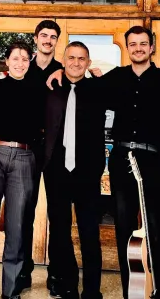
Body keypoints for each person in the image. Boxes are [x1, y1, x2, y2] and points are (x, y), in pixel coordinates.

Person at [47, 25, 160, 299]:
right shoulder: (114, 78)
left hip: (156, 163)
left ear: (151, 47)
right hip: (122, 162)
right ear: (127, 47)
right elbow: (79, 82)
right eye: (132, 44)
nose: (138, 48)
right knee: (124, 230)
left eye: (143, 43)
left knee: (158, 229)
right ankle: (130, 292)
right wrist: (59, 71)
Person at [0, 42, 44, 299]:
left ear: (30, 61)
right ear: (7, 60)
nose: (20, 63)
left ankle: (11, 293)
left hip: (25, 158)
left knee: (17, 226)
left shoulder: (38, 89)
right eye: (16, 58)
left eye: (25, 59)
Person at [44, 42, 107, 299]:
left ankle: (92, 290)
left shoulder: (99, 89)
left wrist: (99, 75)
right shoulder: (51, 87)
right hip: (56, 171)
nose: (76, 63)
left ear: (88, 63)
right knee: (60, 231)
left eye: (82, 59)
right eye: (71, 58)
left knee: (89, 232)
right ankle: (67, 285)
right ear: (63, 60)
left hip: (87, 172)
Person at [18, 20, 63, 294]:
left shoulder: (64, 71)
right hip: (29, 148)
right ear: (35, 38)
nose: (48, 40)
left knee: (58, 214)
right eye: (44, 35)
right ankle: (22, 271)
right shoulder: (24, 69)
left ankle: (56, 274)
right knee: (24, 211)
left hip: (57, 150)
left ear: (57, 41)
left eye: (53, 36)